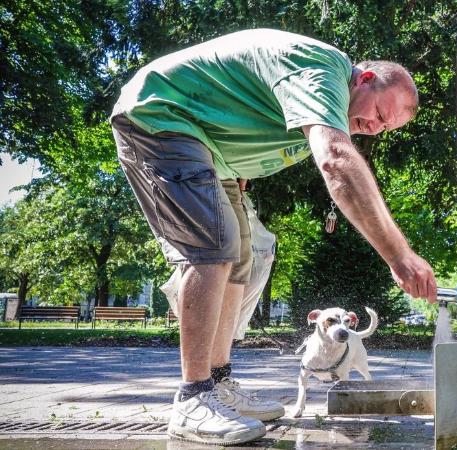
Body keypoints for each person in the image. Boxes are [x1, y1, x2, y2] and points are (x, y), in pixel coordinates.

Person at [110, 28, 437, 446]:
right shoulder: (324, 72)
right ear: (366, 79)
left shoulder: (328, 92)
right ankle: (192, 398)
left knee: (241, 253)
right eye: (378, 113)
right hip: (162, 118)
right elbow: (335, 160)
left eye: (384, 128)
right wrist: (399, 255)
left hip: (211, 150)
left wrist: (239, 175)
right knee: (212, 247)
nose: (373, 127)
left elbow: (247, 103)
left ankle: (219, 383)